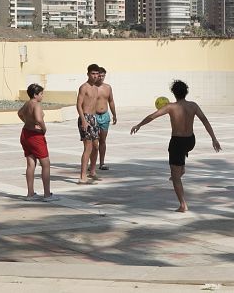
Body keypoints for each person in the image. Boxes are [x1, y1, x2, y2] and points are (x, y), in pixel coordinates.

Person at [130, 80, 221, 212]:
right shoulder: (193, 105)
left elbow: (152, 116)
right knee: (180, 157)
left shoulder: (171, 107)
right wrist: (214, 139)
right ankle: (181, 168)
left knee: (175, 176)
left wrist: (139, 125)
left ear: (173, 93)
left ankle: (183, 204)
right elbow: (205, 120)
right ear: (186, 92)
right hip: (190, 141)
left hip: (178, 142)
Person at [18, 83, 58, 202]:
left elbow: (19, 113)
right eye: (41, 94)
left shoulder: (27, 103)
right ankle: (47, 194)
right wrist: (43, 128)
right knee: (45, 164)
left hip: (25, 134)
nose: (42, 96)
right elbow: (39, 119)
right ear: (35, 95)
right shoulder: (36, 104)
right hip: (35, 136)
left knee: (31, 164)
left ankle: (30, 193)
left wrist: (26, 121)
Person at [76, 64, 101, 184]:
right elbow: (79, 105)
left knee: (96, 146)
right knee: (88, 147)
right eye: (93, 73)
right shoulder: (84, 87)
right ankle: (82, 176)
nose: (95, 76)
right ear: (88, 74)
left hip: (94, 118)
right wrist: (84, 120)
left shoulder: (96, 88)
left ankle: (92, 171)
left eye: (97, 74)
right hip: (85, 117)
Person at [94, 66, 117, 171]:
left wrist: (114, 114)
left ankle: (102, 163)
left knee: (102, 140)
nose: (101, 77)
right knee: (94, 142)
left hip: (105, 116)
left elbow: (111, 101)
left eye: (103, 76)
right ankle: (92, 163)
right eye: (99, 75)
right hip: (93, 116)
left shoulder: (107, 87)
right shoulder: (91, 87)